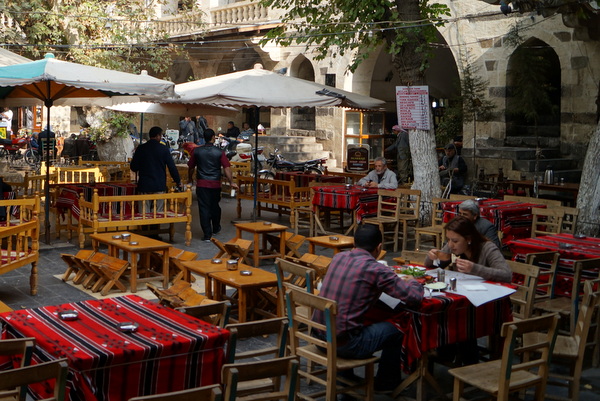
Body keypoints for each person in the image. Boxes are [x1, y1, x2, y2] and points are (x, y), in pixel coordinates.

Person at [313, 224, 424, 392]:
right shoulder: (376, 269)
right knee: (399, 327)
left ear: (353, 244)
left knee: (351, 317)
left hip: (318, 336)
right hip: (345, 345)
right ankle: (386, 382)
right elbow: (413, 298)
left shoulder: (338, 257)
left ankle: (346, 377)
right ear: (379, 247)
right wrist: (414, 282)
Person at [424, 215, 511, 282]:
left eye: (455, 241)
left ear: (468, 239)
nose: (450, 245)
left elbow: (506, 275)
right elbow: (432, 267)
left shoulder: (488, 248)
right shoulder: (452, 247)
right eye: (448, 239)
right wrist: (432, 257)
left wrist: (474, 268)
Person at [130, 126, 183, 238]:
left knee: (144, 212)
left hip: (144, 185)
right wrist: (178, 181)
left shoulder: (141, 148)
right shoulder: (163, 149)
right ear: (158, 135)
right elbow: (172, 167)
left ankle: (145, 233)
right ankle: (154, 234)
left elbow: (133, 167)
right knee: (157, 213)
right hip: (159, 185)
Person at [188, 128, 238, 242]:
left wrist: (190, 178)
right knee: (215, 206)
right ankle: (216, 227)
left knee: (204, 208)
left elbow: (191, 167)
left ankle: (207, 234)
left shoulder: (196, 151)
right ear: (213, 138)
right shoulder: (219, 152)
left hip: (202, 183)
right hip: (215, 184)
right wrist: (231, 182)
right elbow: (227, 168)